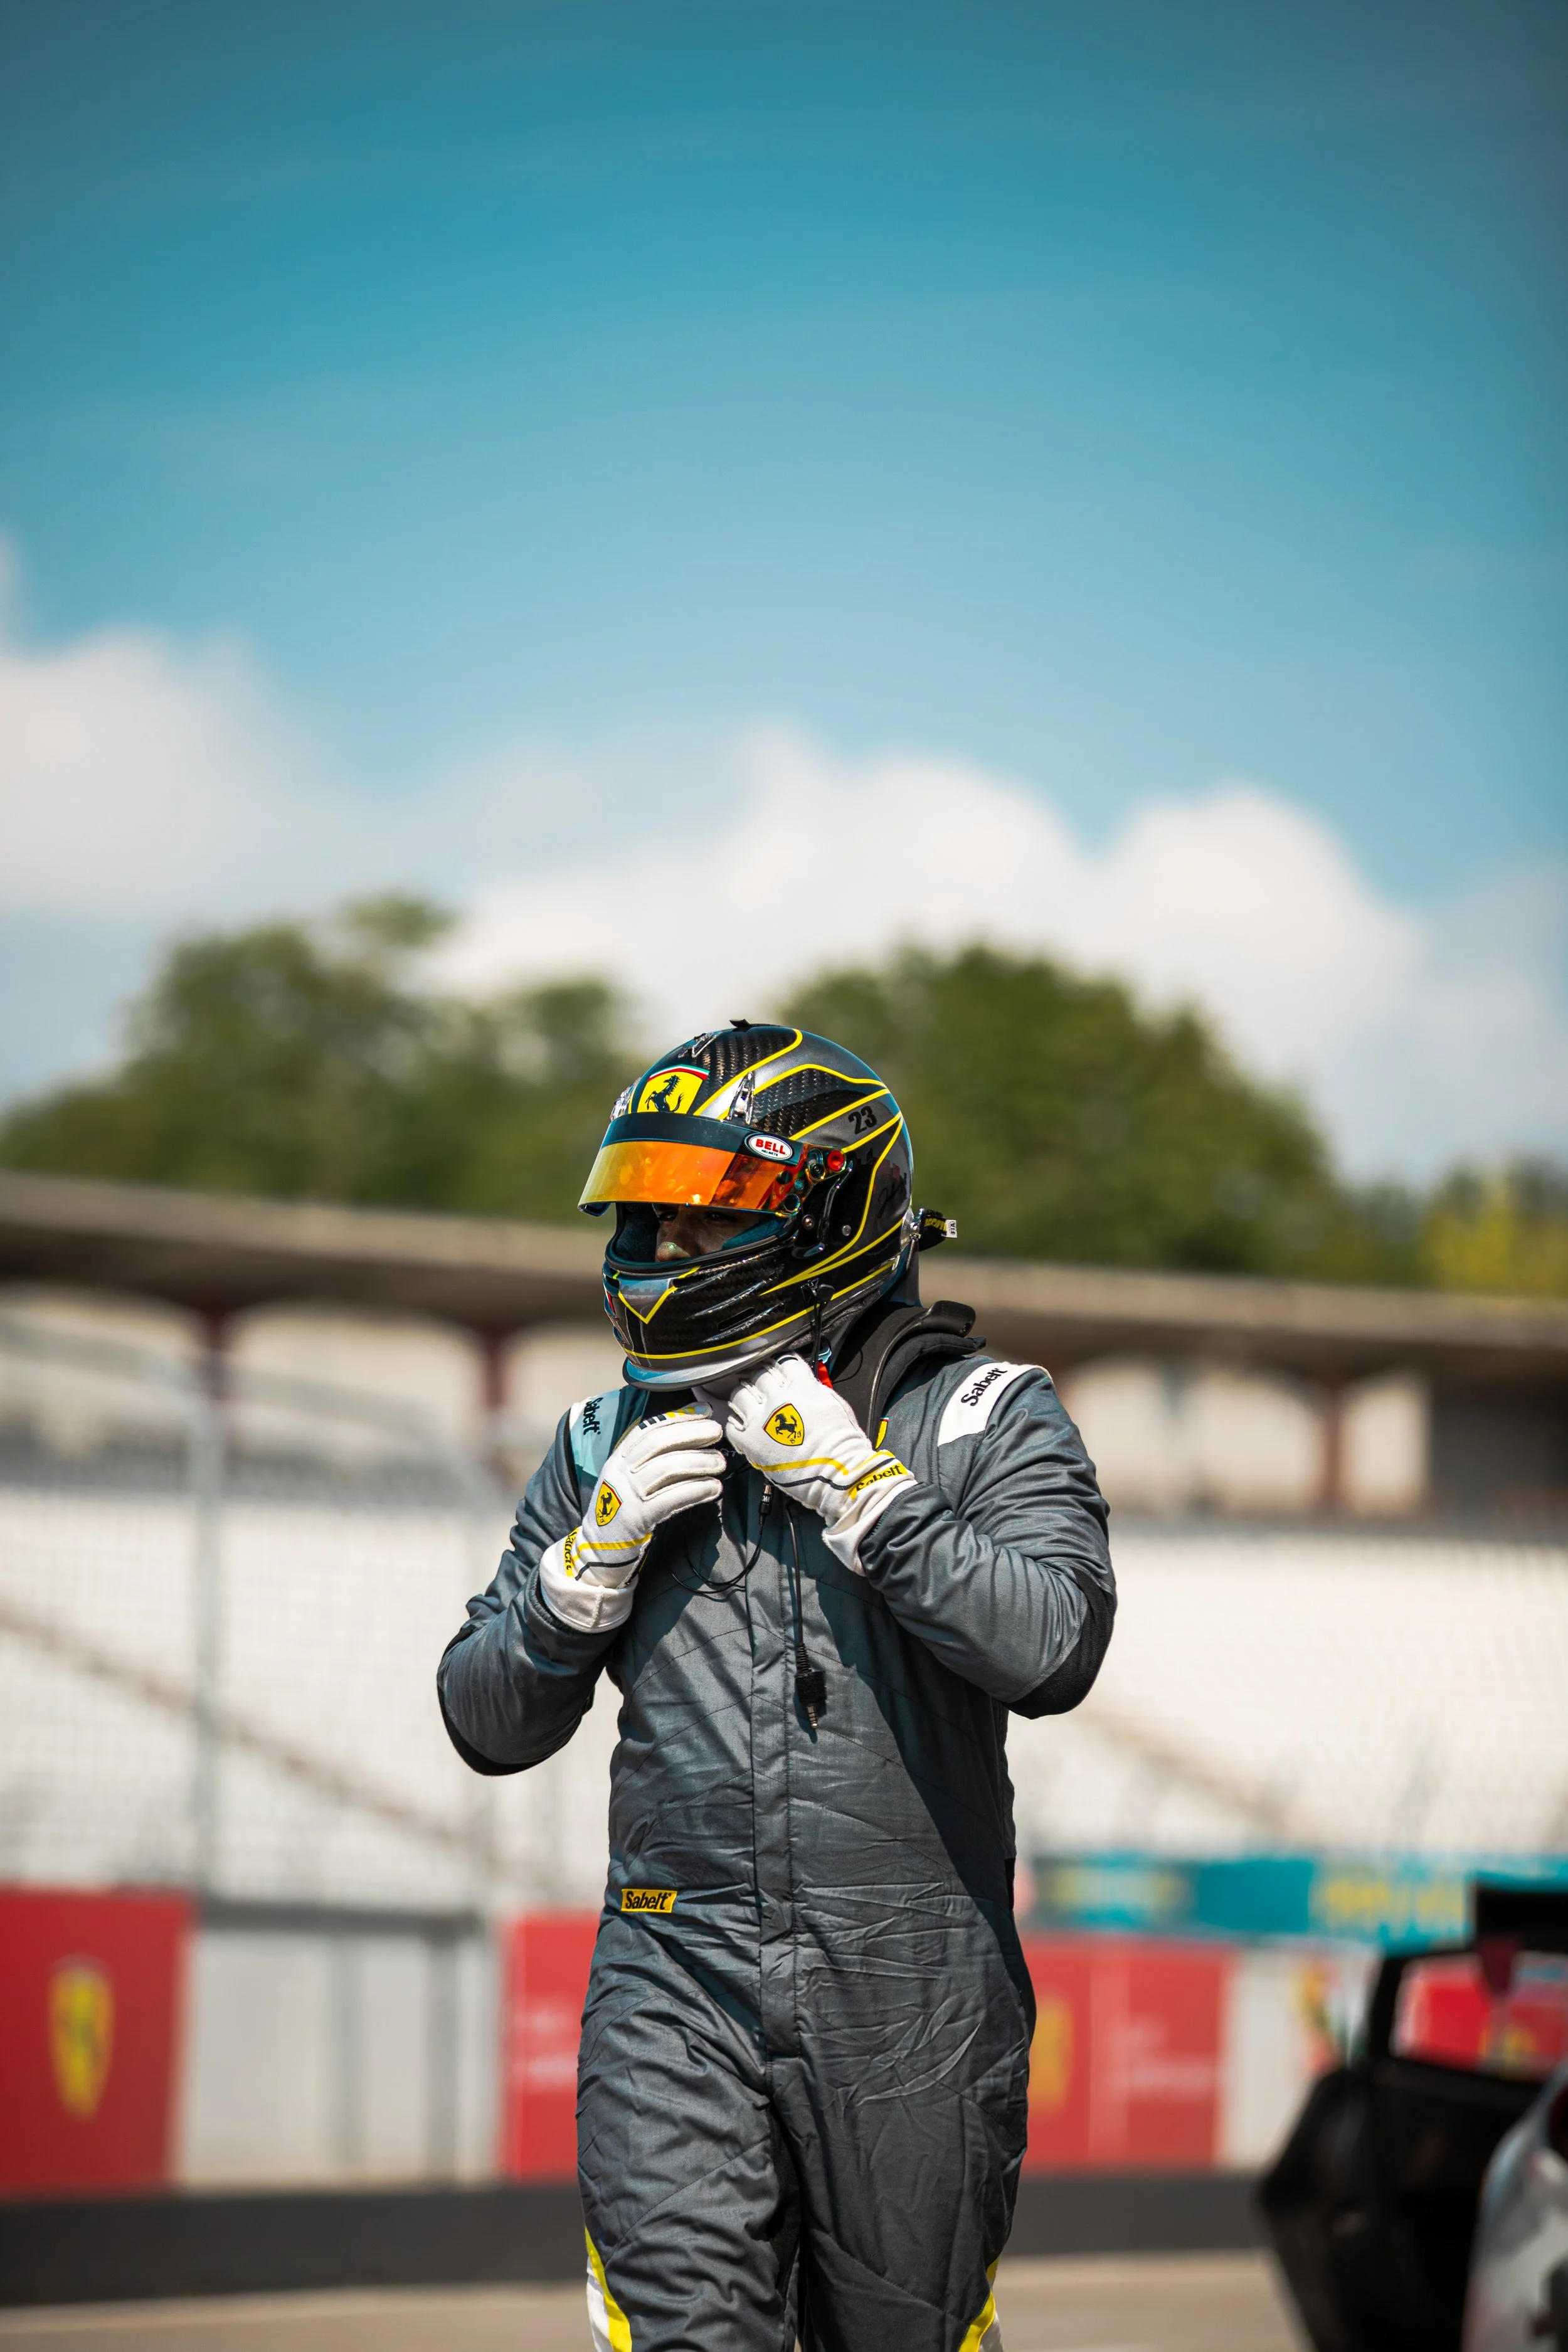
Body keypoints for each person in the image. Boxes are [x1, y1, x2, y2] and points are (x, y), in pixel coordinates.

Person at [438, 1021, 1115, 2352]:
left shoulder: (983, 1410)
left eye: (704, 1220)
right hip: (672, 1961)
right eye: (647, 1219)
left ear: (826, 1216)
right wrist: (581, 1574)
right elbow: (482, 1718)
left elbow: (1056, 1646)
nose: (661, 1250)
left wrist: (869, 1497)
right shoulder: (599, 1440)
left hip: (915, 1985)